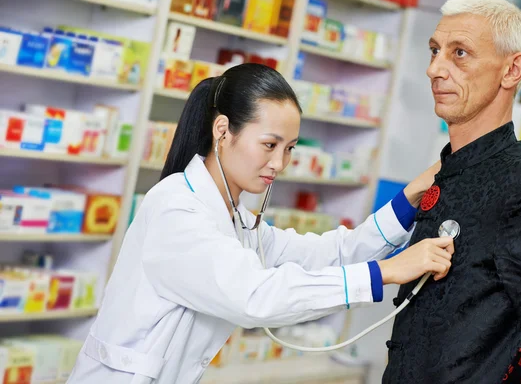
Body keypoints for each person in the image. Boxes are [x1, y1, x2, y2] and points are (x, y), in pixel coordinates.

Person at [67, 63, 455, 384]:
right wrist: (386, 272)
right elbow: (254, 296)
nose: (279, 164)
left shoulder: (236, 222)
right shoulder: (176, 211)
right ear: (223, 131)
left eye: (288, 149)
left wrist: (408, 200)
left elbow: (328, 254)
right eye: (269, 145)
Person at [382, 0, 521, 384]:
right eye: (434, 51)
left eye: (460, 53)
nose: (435, 69)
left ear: (512, 70)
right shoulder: (446, 173)